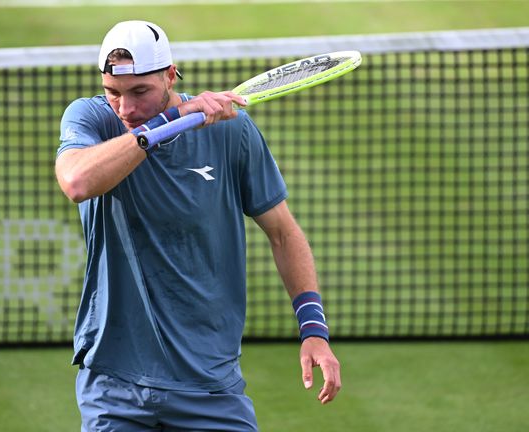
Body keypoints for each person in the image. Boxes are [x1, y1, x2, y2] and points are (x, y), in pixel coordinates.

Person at [55, 20, 341, 431]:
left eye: (140, 92)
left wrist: (314, 329)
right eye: (113, 92)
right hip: (114, 384)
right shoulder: (92, 120)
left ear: (171, 75)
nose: (126, 109)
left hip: (210, 384)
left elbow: (283, 232)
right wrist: (168, 121)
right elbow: (77, 182)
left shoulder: (231, 131)